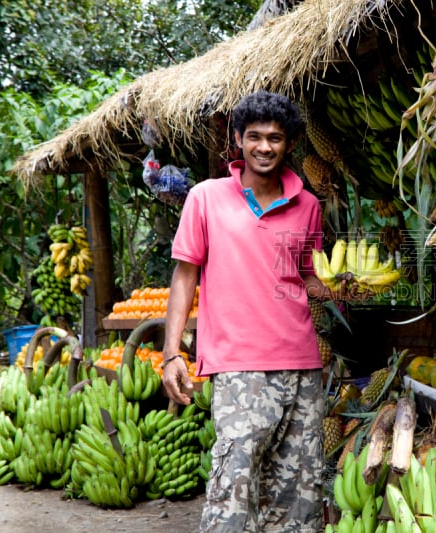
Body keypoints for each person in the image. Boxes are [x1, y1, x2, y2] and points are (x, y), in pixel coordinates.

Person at [160, 90, 351, 532]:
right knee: (233, 491)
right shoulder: (206, 198)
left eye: (276, 138)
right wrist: (173, 353)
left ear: (290, 144)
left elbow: (303, 276)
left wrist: (346, 290)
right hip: (239, 367)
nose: (265, 147)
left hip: (303, 367)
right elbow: (185, 276)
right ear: (238, 140)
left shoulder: (307, 205)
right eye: (255, 137)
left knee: (298, 500)